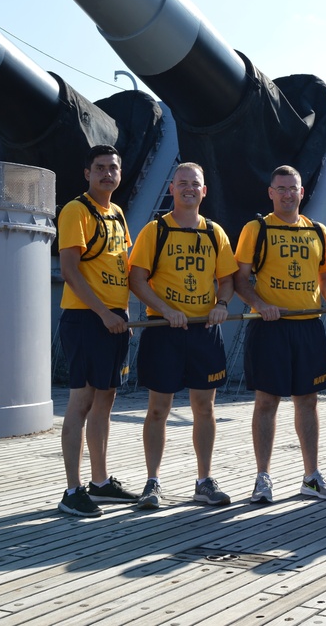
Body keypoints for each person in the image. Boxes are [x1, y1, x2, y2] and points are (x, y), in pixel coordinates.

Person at [234, 165, 326, 503]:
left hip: (307, 325)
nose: (288, 194)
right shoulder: (256, 229)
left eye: (294, 188)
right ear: (270, 193)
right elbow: (239, 280)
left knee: (308, 401)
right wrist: (259, 304)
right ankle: (262, 478)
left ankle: (311, 477)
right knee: (267, 402)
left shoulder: (317, 231)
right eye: (281, 188)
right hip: (270, 326)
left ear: (302, 193)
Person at [128, 163, 238, 510]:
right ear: (172, 189)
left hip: (204, 330)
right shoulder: (155, 231)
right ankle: (152, 482)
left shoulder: (215, 233)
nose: (189, 189)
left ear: (204, 191)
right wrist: (165, 309)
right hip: (164, 331)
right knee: (158, 409)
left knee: (204, 408)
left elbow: (227, 279)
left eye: (196, 184)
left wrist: (221, 303)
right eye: (183, 183)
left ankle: (204, 482)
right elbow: (137, 279)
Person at [56, 145, 139, 517]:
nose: (108, 174)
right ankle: (72, 490)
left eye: (113, 168)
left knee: (106, 401)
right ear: (86, 173)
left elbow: (123, 269)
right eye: (100, 168)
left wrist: (122, 313)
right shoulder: (77, 211)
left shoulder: (117, 213)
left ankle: (100, 483)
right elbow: (70, 271)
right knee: (82, 402)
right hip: (87, 319)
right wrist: (105, 313)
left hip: (113, 319)